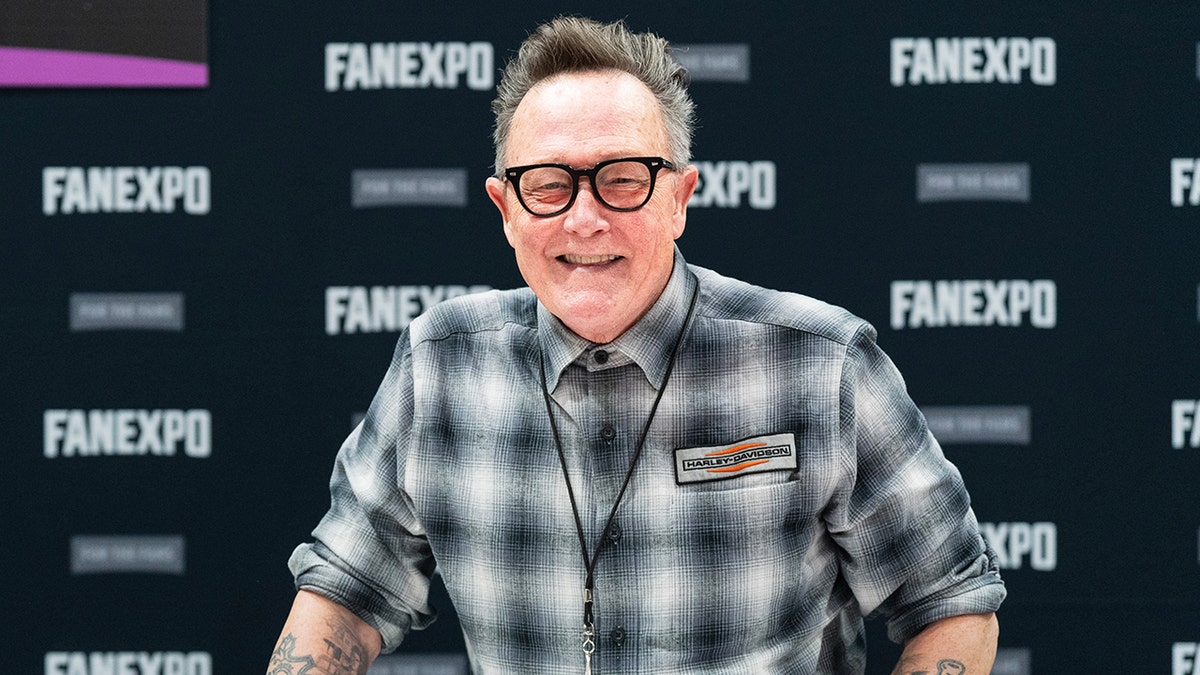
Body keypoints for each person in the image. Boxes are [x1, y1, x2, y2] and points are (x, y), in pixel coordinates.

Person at [268, 16, 1005, 675]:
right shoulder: (440, 366)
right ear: (505, 209)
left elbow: (951, 600)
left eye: (622, 179)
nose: (584, 220)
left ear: (679, 198)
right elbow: (347, 592)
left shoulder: (821, 366)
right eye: (549, 185)